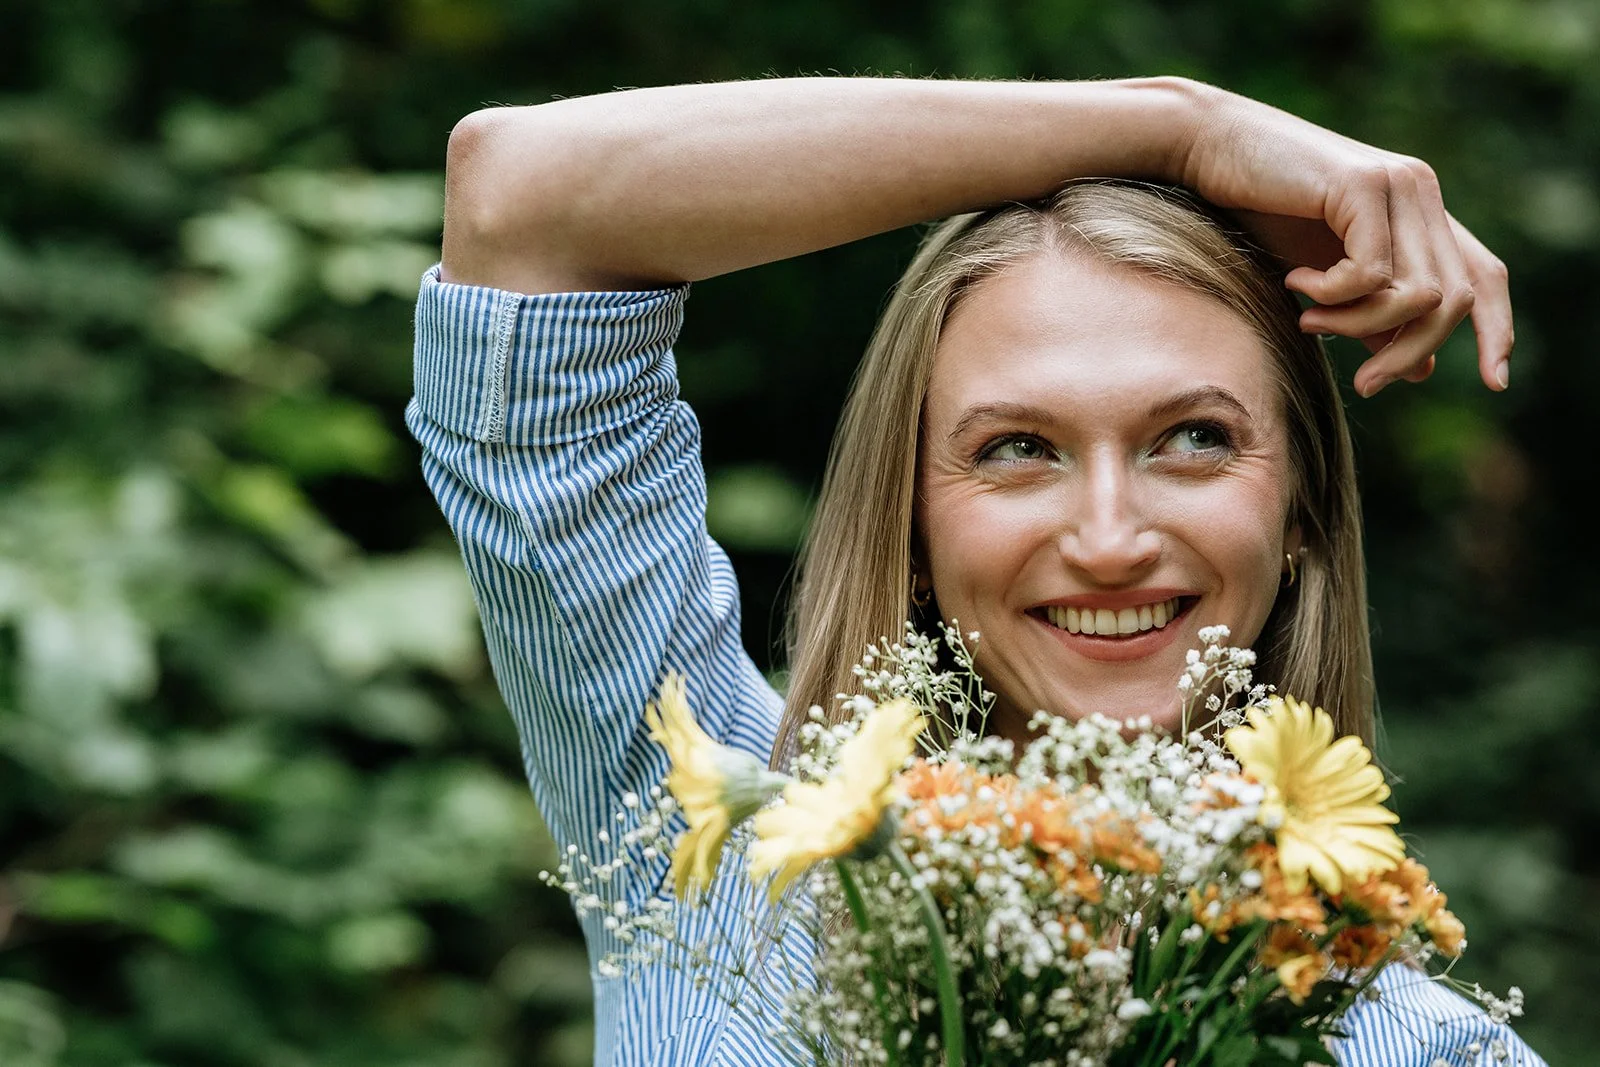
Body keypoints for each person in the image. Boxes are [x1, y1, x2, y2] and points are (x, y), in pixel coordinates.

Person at [410, 76, 1538, 1065]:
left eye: (1191, 437)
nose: (1107, 538)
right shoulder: (715, 842)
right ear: (911, 525)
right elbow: (523, 199)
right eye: (1017, 448)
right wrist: (1180, 128)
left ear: (1300, 508)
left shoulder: (1432, 1048)